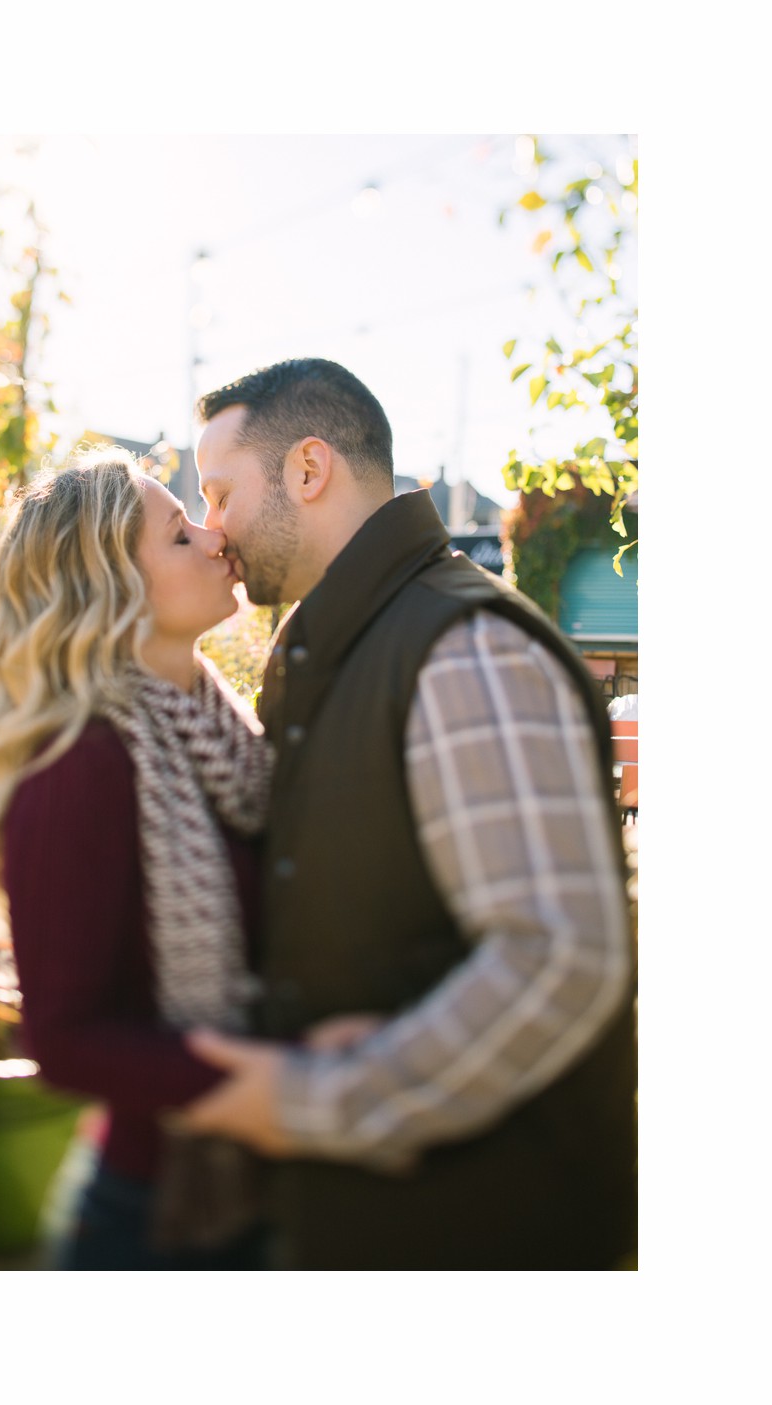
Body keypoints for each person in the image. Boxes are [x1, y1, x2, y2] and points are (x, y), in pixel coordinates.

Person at [176, 357, 636, 1269]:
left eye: (221, 493)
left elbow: (559, 957)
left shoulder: (464, 649)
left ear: (308, 471)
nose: (213, 529)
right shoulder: (344, 642)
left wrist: (321, 1098)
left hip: (490, 1235)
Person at [0, 445, 276, 1269]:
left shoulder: (227, 736)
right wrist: (259, 1088)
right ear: (111, 589)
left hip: (263, 1193)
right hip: (156, 1220)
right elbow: (65, 1036)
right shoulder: (79, 763)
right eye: (177, 535)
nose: (215, 538)